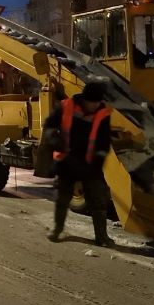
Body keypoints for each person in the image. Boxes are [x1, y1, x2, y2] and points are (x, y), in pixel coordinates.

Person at [43, 80, 114, 247]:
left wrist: (99, 159)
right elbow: (49, 125)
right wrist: (54, 138)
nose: (94, 106)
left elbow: (104, 141)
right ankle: (57, 229)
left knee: (98, 200)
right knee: (63, 199)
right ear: (84, 99)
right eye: (92, 102)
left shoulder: (103, 113)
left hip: (90, 164)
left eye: (97, 102)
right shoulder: (65, 106)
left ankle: (101, 236)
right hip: (67, 161)